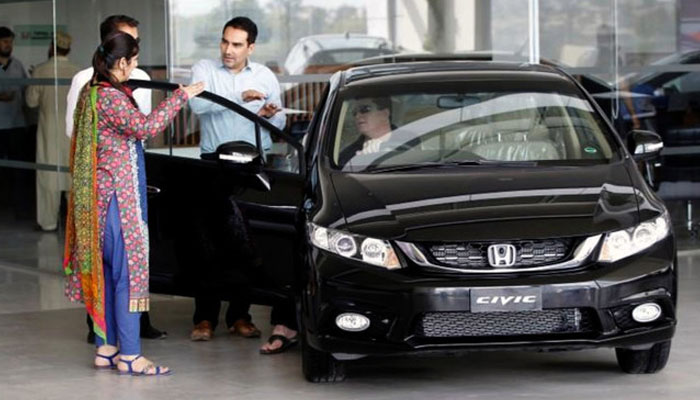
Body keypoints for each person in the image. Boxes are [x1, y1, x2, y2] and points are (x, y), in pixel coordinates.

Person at [63, 31, 204, 375]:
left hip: (97, 200)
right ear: (122, 62)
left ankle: (106, 349)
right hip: (117, 202)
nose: (136, 67)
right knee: (127, 277)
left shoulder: (90, 92)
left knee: (108, 276)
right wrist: (179, 97)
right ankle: (131, 355)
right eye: (135, 61)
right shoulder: (110, 97)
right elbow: (145, 128)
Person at [188, 17, 297, 355]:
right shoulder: (204, 68)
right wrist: (239, 94)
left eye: (236, 45)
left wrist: (268, 112)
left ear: (251, 47)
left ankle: (240, 315)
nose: (228, 50)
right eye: (225, 42)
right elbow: (196, 104)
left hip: (251, 165)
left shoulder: (264, 75)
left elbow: (277, 123)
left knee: (246, 243)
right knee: (207, 242)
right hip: (214, 163)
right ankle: (204, 319)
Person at [64, 15, 165, 342]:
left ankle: (129, 330)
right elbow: (78, 131)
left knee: (130, 259)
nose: (136, 51)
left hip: (130, 174)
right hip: (104, 180)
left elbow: (139, 133)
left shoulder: (140, 77)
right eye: (129, 43)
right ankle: (112, 340)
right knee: (113, 264)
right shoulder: (87, 83)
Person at [25, 32, 79, 232]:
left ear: (51, 47)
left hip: (49, 131)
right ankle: (74, 224)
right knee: (73, 177)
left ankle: (48, 222)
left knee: (48, 176)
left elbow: (31, 102)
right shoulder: (77, 71)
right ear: (69, 49)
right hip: (72, 131)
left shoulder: (40, 70)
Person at [338, 97, 395, 166]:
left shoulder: (409, 141)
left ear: (384, 114)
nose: (358, 116)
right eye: (354, 113)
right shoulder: (347, 155)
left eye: (364, 109)